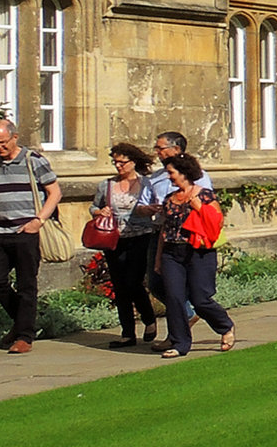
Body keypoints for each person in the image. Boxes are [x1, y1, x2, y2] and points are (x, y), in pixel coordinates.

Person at [0, 117, 61, 354]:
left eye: (3, 142)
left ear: (14, 137)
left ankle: (24, 336)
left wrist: (39, 221)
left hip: (26, 231)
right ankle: (23, 322)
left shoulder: (33, 161)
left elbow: (54, 192)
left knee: (27, 284)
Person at [154, 154, 235, 357]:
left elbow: (216, 223)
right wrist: (158, 259)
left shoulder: (205, 195)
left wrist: (198, 207)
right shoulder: (169, 199)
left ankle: (224, 326)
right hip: (172, 254)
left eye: (171, 173)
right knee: (174, 298)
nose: (169, 177)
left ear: (184, 173)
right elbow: (165, 231)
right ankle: (180, 343)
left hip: (199, 253)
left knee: (200, 299)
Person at [141, 132, 213, 324]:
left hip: (188, 235)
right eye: (156, 148)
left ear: (176, 149)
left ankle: (181, 330)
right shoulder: (154, 178)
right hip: (160, 234)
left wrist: (178, 207)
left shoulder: (199, 177)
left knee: (189, 286)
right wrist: (147, 209)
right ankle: (187, 315)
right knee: (156, 284)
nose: (157, 153)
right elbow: (142, 205)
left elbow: (207, 204)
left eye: (161, 148)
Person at [94, 142, 159, 347]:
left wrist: (150, 210)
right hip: (114, 238)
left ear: (133, 162)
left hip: (141, 236)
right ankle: (127, 332)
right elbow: (94, 206)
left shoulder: (147, 184)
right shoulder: (106, 185)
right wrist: (99, 212)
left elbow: (159, 205)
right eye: (116, 162)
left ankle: (148, 318)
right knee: (120, 285)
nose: (119, 166)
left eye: (123, 162)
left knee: (133, 281)